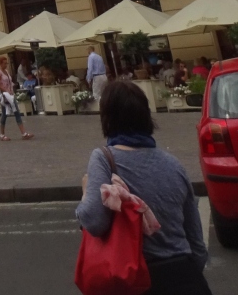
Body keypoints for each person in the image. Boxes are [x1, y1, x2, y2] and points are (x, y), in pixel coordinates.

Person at [77, 79, 209, 294]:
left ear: (107, 118)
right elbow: (196, 242)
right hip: (185, 276)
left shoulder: (103, 159)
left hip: (138, 279)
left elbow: (94, 221)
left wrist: (85, 195)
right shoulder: (174, 165)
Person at [0, 56, 33, 142]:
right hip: (4, 96)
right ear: (0, 63)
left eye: (6, 63)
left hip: (10, 95)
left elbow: (8, 81)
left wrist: (12, 86)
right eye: (4, 63)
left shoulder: (6, 71)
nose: (6, 65)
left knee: (17, 112)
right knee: (4, 115)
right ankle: (2, 135)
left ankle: (23, 133)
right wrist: (5, 89)